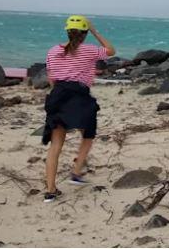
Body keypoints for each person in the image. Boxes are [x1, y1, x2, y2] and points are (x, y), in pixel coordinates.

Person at [42, 15, 115, 203]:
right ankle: (75, 172)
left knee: (55, 145)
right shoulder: (89, 50)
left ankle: (50, 191)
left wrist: (57, 97)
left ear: (67, 31)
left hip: (58, 95)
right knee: (88, 135)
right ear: (84, 34)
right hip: (79, 97)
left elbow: (51, 79)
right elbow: (111, 51)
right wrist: (94, 30)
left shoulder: (52, 51)